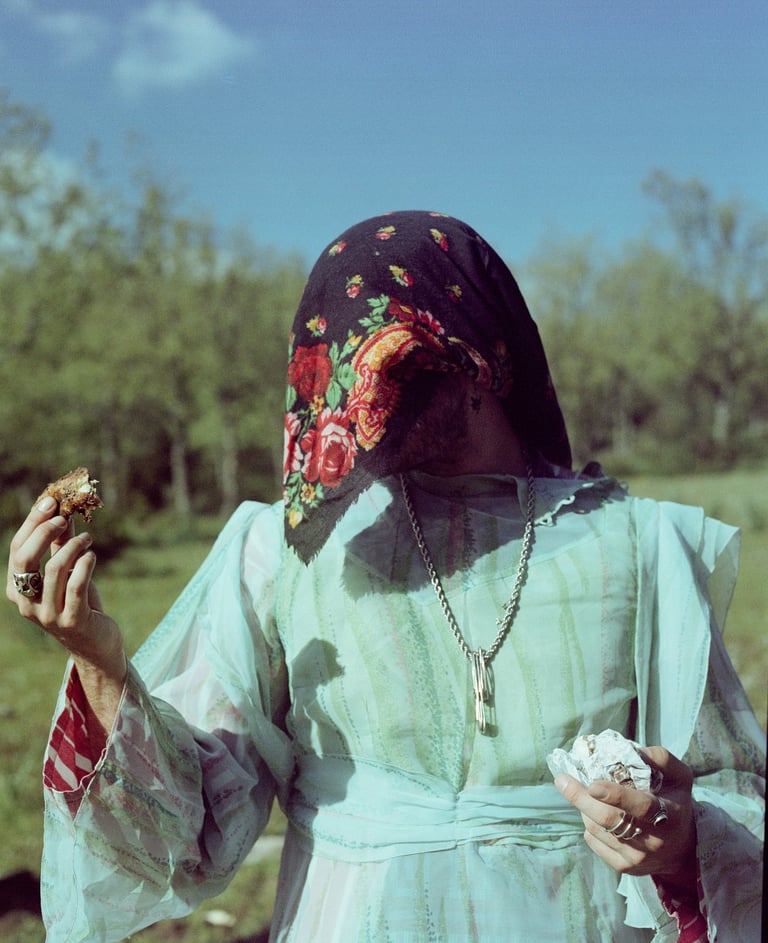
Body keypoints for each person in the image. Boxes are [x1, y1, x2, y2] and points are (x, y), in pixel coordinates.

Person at [6, 211, 765, 942]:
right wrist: (101, 663)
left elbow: (737, 798)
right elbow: (191, 824)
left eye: (387, 371)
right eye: (340, 379)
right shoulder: (285, 549)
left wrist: (679, 838)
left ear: (477, 361)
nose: (359, 413)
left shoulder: (636, 541)